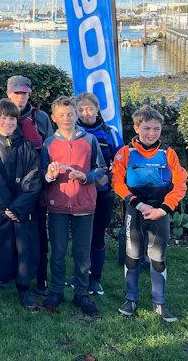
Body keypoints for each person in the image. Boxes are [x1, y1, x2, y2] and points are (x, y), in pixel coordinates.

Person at [112, 105, 188, 322]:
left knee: (158, 258)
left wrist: (163, 209)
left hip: (159, 212)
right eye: (146, 128)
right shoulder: (126, 153)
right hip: (135, 210)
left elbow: (180, 183)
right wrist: (137, 204)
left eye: (156, 129)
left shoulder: (168, 154)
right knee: (133, 256)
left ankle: (159, 303)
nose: (151, 133)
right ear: (136, 128)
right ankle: (131, 299)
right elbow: (117, 181)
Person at [0, 99, 42, 309]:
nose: (8, 122)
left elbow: (34, 177)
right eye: (3, 118)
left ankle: (23, 288)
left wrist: (18, 207)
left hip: (20, 211)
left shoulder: (26, 147)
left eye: (12, 118)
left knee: (24, 249)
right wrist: (6, 208)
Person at [41, 96, 106, 316]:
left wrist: (86, 177)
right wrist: (49, 175)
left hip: (84, 204)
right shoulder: (49, 143)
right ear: (54, 118)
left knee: (82, 252)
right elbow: (42, 175)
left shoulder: (89, 140)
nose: (66, 118)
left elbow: (101, 169)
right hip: (57, 204)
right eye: (61, 115)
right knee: (57, 251)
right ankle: (56, 291)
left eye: (70, 114)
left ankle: (81, 293)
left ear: (76, 114)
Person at [6, 74, 53, 295]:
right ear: (8, 94)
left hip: (37, 185)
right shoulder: (3, 116)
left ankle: (41, 277)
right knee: (11, 230)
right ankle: (10, 273)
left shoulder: (41, 118)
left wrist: (45, 180)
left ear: (29, 94)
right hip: (12, 186)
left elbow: (51, 149)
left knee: (39, 233)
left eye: (24, 93)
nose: (20, 97)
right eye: (16, 93)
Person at [75, 92, 123, 296]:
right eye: (81, 109)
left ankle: (95, 279)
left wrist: (109, 178)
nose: (86, 113)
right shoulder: (72, 131)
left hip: (103, 193)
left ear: (97, 110)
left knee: (97, 236)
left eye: (90, 108)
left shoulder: (109, 132)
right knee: (80, 237)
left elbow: (121, 161)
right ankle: (79, 275)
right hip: (78, 194)